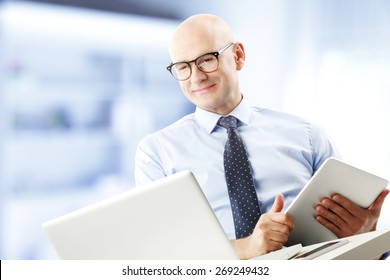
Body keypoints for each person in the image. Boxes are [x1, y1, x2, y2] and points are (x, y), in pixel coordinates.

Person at [134, 14, 389, 259]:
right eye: (183, 67)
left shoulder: (307, 135)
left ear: (238, 56)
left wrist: (367, 239)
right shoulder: (156, 152)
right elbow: (162, 256)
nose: (197, 76)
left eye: (206, 60)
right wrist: (248, 248)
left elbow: (354, 255)